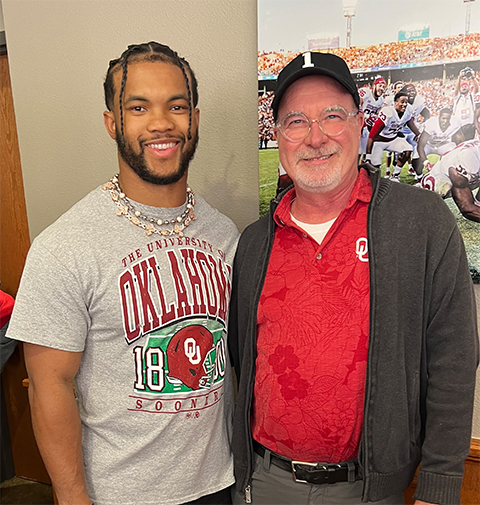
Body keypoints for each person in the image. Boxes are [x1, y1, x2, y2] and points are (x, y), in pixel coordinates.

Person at [228, 51, 478, 505]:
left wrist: (439, 487)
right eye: (296, 121)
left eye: (332, 116)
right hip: (265, 482)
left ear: (361, 123)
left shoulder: (419, 221)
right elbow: (241, 360)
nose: (315, 137)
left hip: (370, 490)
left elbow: (454, 360)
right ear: (279, 135)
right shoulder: (254, 242)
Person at [8, 42, 239, 505]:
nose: (161, 122)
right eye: (139, 107)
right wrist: (72, 497)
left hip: (219, 483)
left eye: (176, 106)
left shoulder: (225, 233)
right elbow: (49, 385)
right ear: (113, 122)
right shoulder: (65, 246)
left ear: (194, 118)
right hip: (118, 493)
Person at [420, 124, 480, 222]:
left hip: (464, 173)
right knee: (439, 188)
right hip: (442, 179)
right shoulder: (470, 159)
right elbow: (467, 208)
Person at [366, 90, 420, 181]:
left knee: (408, 149)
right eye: (402, 102)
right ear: (395, 103)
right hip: (379, 141)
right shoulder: (388, 112)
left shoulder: (407, 112)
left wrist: (418, 134)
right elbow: (372, 135)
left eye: (406, 102)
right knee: (375, 166)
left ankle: (395, 174)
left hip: (392, 139)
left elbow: (410, 123)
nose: (405, 104)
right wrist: (368, 156)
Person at [358, 76, 386, 162]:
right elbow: (357, 105)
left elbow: (375, 113)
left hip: (365, 125)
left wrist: (373, 117)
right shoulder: (366, 92)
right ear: (374, 86)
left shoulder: (381, 100)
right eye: (380, 86)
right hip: (357, 121)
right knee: (355, 149)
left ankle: (361, 168)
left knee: (364, 149)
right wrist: (365, 115)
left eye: (384, 87)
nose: (382, 88)